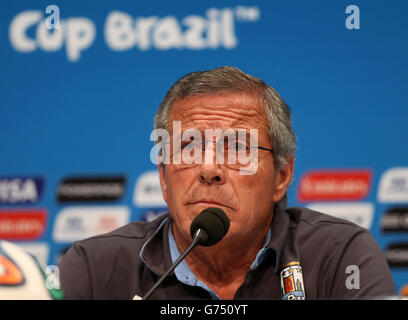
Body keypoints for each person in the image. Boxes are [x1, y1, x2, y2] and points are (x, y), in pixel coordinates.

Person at [59, 66, 395, 299]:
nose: (208, 168)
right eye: (187, 147)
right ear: (163, 176)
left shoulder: (337, 257)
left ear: (282, 175)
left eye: (237, 148)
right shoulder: (93, 268)